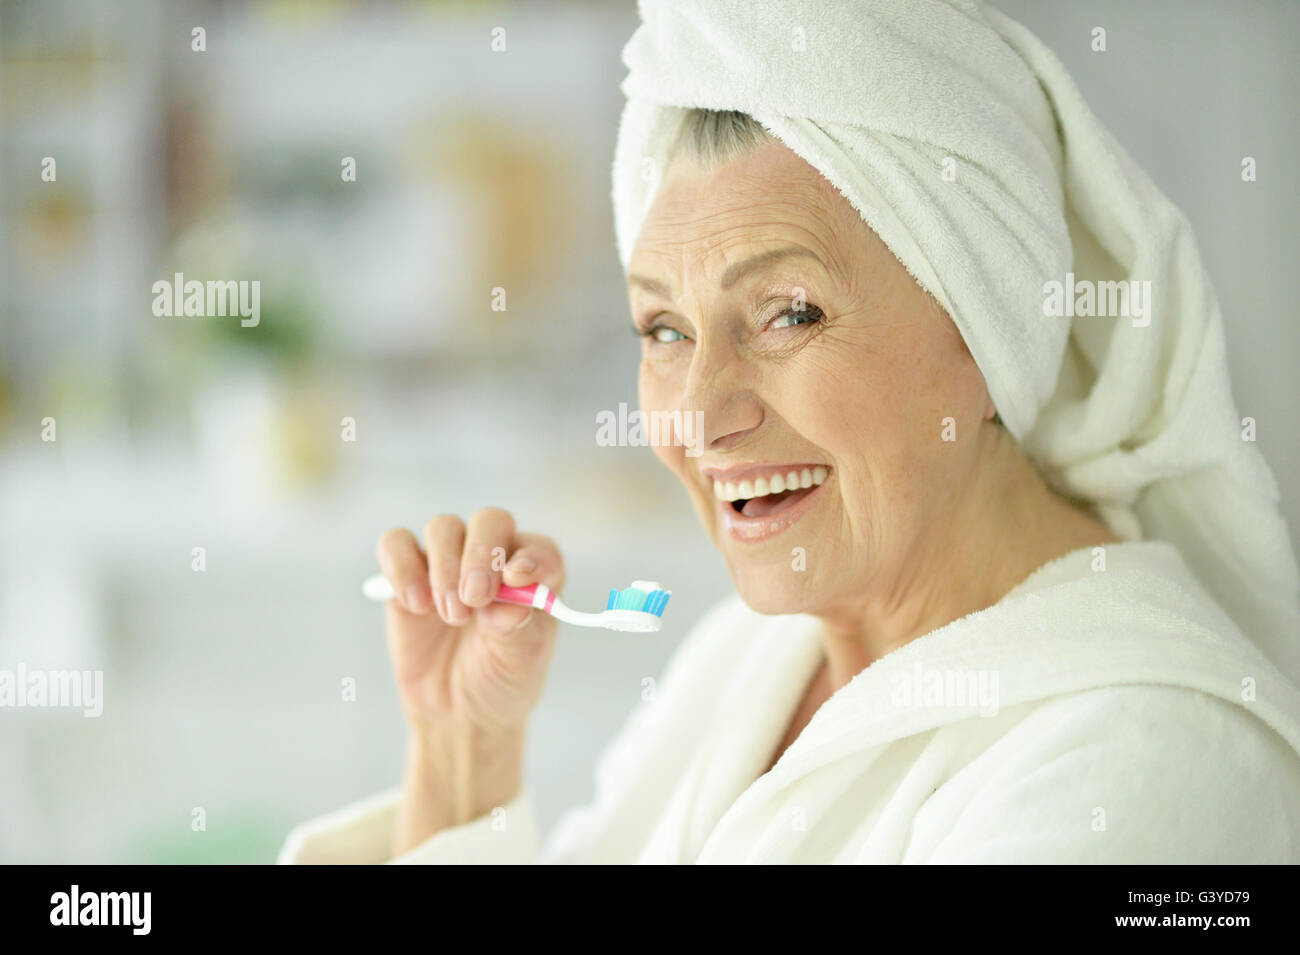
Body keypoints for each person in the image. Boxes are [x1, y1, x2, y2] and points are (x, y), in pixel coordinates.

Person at [278, 0, 1300, 863]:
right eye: (663, 329)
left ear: (986, 329)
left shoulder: (1149, 763)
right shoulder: (747, 658)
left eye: (788, 314)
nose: (698, 415)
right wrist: (461, 758)